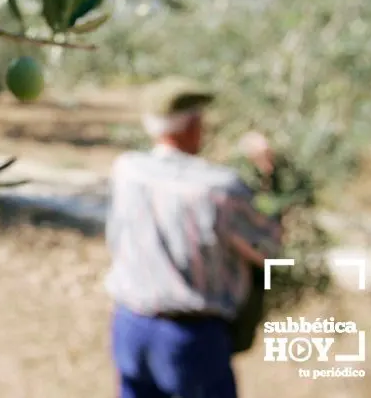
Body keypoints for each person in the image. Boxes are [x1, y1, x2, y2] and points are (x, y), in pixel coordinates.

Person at [104, 76, 285, 398]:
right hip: (191, 338)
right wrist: (269, 175)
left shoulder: (127, 170)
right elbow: (270, 249)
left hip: (130, 326)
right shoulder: (220, 190)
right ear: (194, 125)